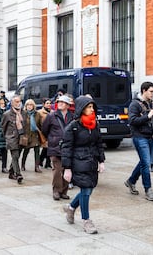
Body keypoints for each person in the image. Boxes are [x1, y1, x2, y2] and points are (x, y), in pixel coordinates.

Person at [62, 95, 105, 234]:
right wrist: (67, 168)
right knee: (86, 190)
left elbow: (99, 143)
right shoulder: (73, 127)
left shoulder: (94, 124)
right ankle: (86, 220)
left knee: (89, 189)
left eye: (93, 107)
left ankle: (71, 207)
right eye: (89, 107)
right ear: (81, 109)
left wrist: (101, 161)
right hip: (78, 161)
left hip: (91, 161)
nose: (92, 110)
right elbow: (66, 148)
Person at [124, 82, 153, 201]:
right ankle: (148, 189)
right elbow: (132, 120)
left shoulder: (152, 103)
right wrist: (147, 116)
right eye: (151, 91)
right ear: (144, 91)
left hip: (152, 137)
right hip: (140, 137)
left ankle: (131, 181)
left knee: (144, 162)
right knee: (146, 164)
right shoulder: (135, 104)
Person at [42, 94, 74, 200]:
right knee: (57, 169)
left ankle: (64, 191)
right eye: (59, 102)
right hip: (55, 147)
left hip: (68, 147)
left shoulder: (72, 116)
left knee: (67, 169)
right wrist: (52, 139)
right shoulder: (52, 116)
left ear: (68, 105)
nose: (60, 103)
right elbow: (44, 130)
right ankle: (56, 190)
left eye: (63, 102)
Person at [1, 95, 26, 184]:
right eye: (16, 101)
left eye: (19, 101)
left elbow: (26, 125)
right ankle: (18, 174)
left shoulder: (23, 113)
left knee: (17, 156)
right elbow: (3, 127)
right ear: (11, 103)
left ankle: (11, 172)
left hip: (22, 138)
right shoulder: (7, 114)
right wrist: (7, 136)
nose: (18, 103)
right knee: (15, 156)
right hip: (12, 138)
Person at [20, 99, 42, 173]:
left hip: (35, 135)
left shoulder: (37, 114)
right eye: (28, 105)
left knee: (37, 152)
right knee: (26, 151)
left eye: (31, 105)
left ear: (33, 106)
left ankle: (37, 166)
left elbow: (40, 124)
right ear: (25, 106)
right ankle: (23, 165)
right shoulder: (23, 114)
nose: (29, 106)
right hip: (27, 135)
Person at [38, 98, 52, 169]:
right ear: (43, 104)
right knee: (46, 148)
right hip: (43, 132)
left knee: (48, 148)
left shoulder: (52, 112)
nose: (49, 105)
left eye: (50, 103)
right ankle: (42, 161)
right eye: (47, 103)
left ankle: (47, 163)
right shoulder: (40, 112)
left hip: (51, 132)